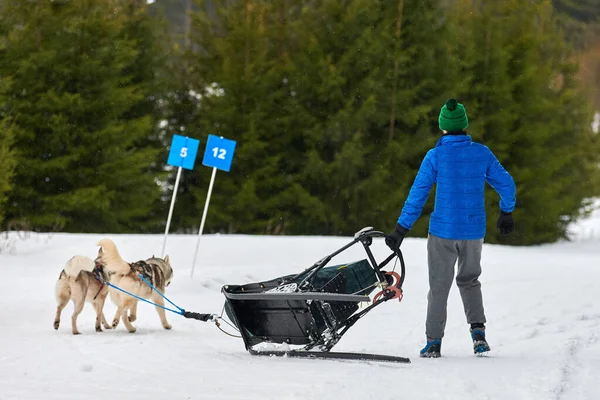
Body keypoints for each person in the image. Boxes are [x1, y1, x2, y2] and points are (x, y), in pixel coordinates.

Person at [385, 98, 516, 358]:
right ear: (464, 125)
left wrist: (402, 228)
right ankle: (478, 333)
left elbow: (418, 194)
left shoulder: (435, 156)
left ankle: (433, 342)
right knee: (470, 281)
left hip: (442, 233)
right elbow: (507, 183)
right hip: (472, 232)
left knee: (439, 286)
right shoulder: (482, 153)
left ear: (443, 127)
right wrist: (506, 211)